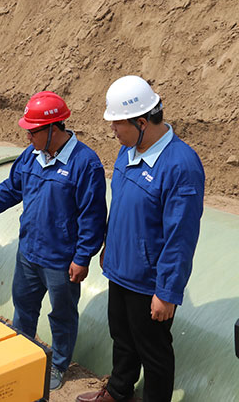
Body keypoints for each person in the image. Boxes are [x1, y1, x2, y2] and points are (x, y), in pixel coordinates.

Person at [0, 91, 107, 391]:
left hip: (61, 260)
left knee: (62, 315)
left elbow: (93, 216)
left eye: (32, 131)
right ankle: (22, 354)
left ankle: (58, 364)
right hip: (29, 253)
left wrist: (82, 258)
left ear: (53, 129)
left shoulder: (85, 163)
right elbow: (12, 188)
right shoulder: (31, 155)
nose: (27, 136)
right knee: (23, 309)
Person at [76, 76, 204, 402]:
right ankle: (118, 391)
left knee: (154, 351)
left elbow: (181, 236)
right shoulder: (127, 151)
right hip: (121, 269)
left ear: (142, 122)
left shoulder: (180, 165)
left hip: (149, 280)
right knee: (122, 337)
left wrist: (167, 291)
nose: (112, 130)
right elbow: (121, 205)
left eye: (118, 124)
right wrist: (109, 245)